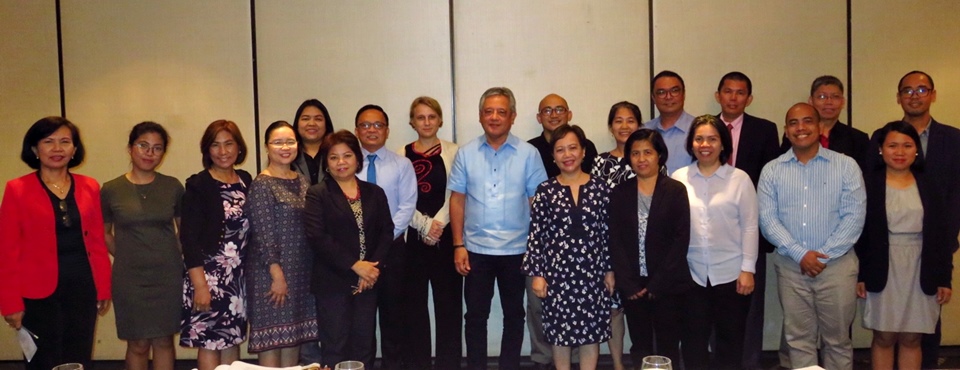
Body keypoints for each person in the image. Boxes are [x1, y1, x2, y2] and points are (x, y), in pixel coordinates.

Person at [758, 103, 865, 370]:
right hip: (792, 268)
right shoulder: (772, 170)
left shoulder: (846, 166)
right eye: (793, 123)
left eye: (807, 121)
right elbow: (768, 220)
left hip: (837, 267)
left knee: (837, 341)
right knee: (798, 340)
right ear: (786, 130)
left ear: (819, 127)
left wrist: (822, 257)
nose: (800, 128)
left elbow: (854, 216)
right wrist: (800, 254)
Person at [0, 117, 112, 370]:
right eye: (48, 142)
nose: (57, 149)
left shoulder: (89, 186)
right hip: (36, 293)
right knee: (43, 360)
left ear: (74, 149)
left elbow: (96, 242)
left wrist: (102, 287)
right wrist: (10, 302)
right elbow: (6, 251)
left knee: (78, 358)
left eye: (65, 142)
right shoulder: (17, 189)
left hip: (82, 288)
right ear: (34, 149)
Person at [449, 87, 547, 370]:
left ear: (513, 117)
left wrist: (537, 250)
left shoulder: (528, 154)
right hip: (476, 250)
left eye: (501, 112)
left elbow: (536, 203)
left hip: (517, 250)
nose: (494, 117)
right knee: (476, 317)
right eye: (488, 111)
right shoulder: (466, 153)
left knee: (514, 316)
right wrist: (458, 245)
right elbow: (457, 200)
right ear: (480, 116)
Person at [855, 121, 953, 370]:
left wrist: (944, 278)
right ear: (880, 149)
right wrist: (862, 274)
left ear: (917, 150)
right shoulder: (867, 183)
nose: (900, 152)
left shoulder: (930, 183)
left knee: (912, 337)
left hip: (922, 266)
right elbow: (861, 234)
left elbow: (941, 234)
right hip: (882, 265)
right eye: (893, 145)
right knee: (884, 336)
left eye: (907, 145)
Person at [523, 124, 614, 370]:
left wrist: (609, 270)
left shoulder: (601, 188)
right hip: (557, 276)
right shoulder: (545, 191)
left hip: (592, 275)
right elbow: (536, 235)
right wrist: (538, 274)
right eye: (560, 150)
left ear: (584, 151)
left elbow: (608, 234)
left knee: (590, 334)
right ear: (553, 156)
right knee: (559, 335)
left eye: (573, 147)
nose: (567, 154)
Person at [671, 115, 758, 370]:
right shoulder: (679, 178)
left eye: (712, 138)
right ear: (691, 143)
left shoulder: (739, 179)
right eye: (699, 139)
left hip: (731, 274)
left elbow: (751, 226)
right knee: (692, 341)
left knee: (729, 342)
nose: (704, 144)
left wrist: (747, 269)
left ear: (723, 144)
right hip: (692, 275)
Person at [304, 130, 394, 369]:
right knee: (335, 346)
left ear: (357, 158)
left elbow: (387, 232)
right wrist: (355, 266)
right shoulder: (317, 194)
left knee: (364, 346)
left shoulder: (375, 193)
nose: (341, 162)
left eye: (347, 155)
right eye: (333, 157)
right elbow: (317, 237)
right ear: (327, 162)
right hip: (333, 282)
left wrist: (371, 269)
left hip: (368, 282)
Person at [889, 70, 960, 368]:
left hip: (935, 244)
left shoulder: (954, 139)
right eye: (907, 90)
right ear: (898, 97)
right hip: (893, 246)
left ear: (933, 94)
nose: (914, 95)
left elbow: (956, 194)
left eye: (921, 89)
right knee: (889, 326)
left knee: (927, 322)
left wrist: (946, 241)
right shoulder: (886, 137)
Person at [101, 121, 183, 370]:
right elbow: (103, 233)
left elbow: (184, 230)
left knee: (164, 340)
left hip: (167, 276)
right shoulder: (111, 189)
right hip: (129, 278)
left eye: (157, 148)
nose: (150, 153)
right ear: (130, 148)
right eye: (143, 146)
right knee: (137, 343)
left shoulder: (173, 186)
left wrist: (168, 254)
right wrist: (127, 255)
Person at [711, 72, 780, 370]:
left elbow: (769, 183)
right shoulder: (706, 128)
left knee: (750, 308)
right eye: (728, 91)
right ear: (718, 95)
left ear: (749, 98)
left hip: (751, 232)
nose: (734, 98)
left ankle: (749, 364)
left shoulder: (765, 130)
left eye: (741, 93)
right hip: (711, 235)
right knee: (712, 308)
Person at [608, 129, 692, 367]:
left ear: (659, 155)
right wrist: (628, 283)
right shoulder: (620, 192)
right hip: (633, 285)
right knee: (640, 344)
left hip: (667, 284)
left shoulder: (675, 191)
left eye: (647, 152)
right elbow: (615, 239)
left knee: (668, 344)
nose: (641, 158)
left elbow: (680, 240)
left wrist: (658, 283)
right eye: (635, 153)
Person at [179, 120, 254, 370]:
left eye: (229, 144)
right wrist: (200, 286)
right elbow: (188, 239)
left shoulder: (245, 179)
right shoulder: (198, 185)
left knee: (232, 339)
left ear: (239, 147)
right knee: (210, 342)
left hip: (236, 277)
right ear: (207, 150)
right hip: (208, 278)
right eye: (216, 145)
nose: (223, 151)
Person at [396, 96, 463, 369]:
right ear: (412, 122)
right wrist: (423, 225)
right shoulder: (400, 154)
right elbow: (398, 198)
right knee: (414, 309)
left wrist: (437, 224)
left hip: (447, 238)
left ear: (440, 120)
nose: (426, 122)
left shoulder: (455, 151)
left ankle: (449, 364)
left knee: (448, 308)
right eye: (420, 117)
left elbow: (458, 193)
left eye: (431, 117)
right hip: (412, 239)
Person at [245, 121, 319, 365]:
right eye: (278, 142)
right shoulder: (262, 184)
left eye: (290, 141)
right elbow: (263, 236)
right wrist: (277, 275)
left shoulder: (301, 180)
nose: (285, 147)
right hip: (272, 274)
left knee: (293, 340)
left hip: (300, 272)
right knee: (272, 341)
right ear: (267, 147)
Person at [353, 104, 417, 370]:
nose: (371, 130)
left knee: (394, 319)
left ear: (387, 131)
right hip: (356, 255)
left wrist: (384, 242)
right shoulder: (346, 164)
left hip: (392, 252)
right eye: (365, 125)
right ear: (357, 130)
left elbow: (407, 205)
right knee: (361, 322)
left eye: (377, 125)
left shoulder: (402, 165)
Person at [589, 100, 642, 370]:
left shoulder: (650, 159)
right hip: (609, 246)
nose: (624, 126)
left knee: (642, 307)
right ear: (611, 127)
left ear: (639, 125)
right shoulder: (599, 162)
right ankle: (618, 364)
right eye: (618, 120)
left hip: (642, 248)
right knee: (612, 308)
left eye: (630, 120)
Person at [778, 76, 870, 170]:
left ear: (843, 102)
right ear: (811, 101)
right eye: (822, 96)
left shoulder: (859, 139)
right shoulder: (798, 133)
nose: (829, 102)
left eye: (835, 97)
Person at [528, 93, 598, 177]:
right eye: (547, 111)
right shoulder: (530, 149)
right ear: (539, 118)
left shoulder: (586, 145)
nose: (554, 115)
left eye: (559, 110)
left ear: (569, 115)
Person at [644, 70, 695, 175]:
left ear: (683, 94)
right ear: (653, 98)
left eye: (674, 91)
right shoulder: (644, 131)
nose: (668, 97)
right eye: (661, 92)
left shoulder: (699, 129)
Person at [292, 99, 336, 186]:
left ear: (326, 125)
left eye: (318, 119)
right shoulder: (288, 155)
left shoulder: (336, 153)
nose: (311, 123)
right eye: (305, 119)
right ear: (297, 124)